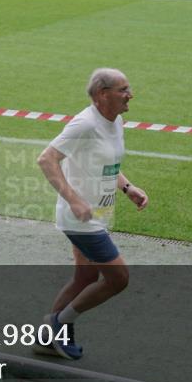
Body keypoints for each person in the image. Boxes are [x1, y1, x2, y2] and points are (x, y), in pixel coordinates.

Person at [36, 68, 149, 360]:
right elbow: (47, 160)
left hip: (98, 213)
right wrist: (74, 200)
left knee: (84, 277)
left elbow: (107, 163)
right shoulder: (84, 124)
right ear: (102, 94)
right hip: (81, 220)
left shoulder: (116, 121)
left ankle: (46, 339)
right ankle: (60, 322)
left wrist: (127, 187)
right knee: (118, 279)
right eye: (123, 89)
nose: (130, 95)